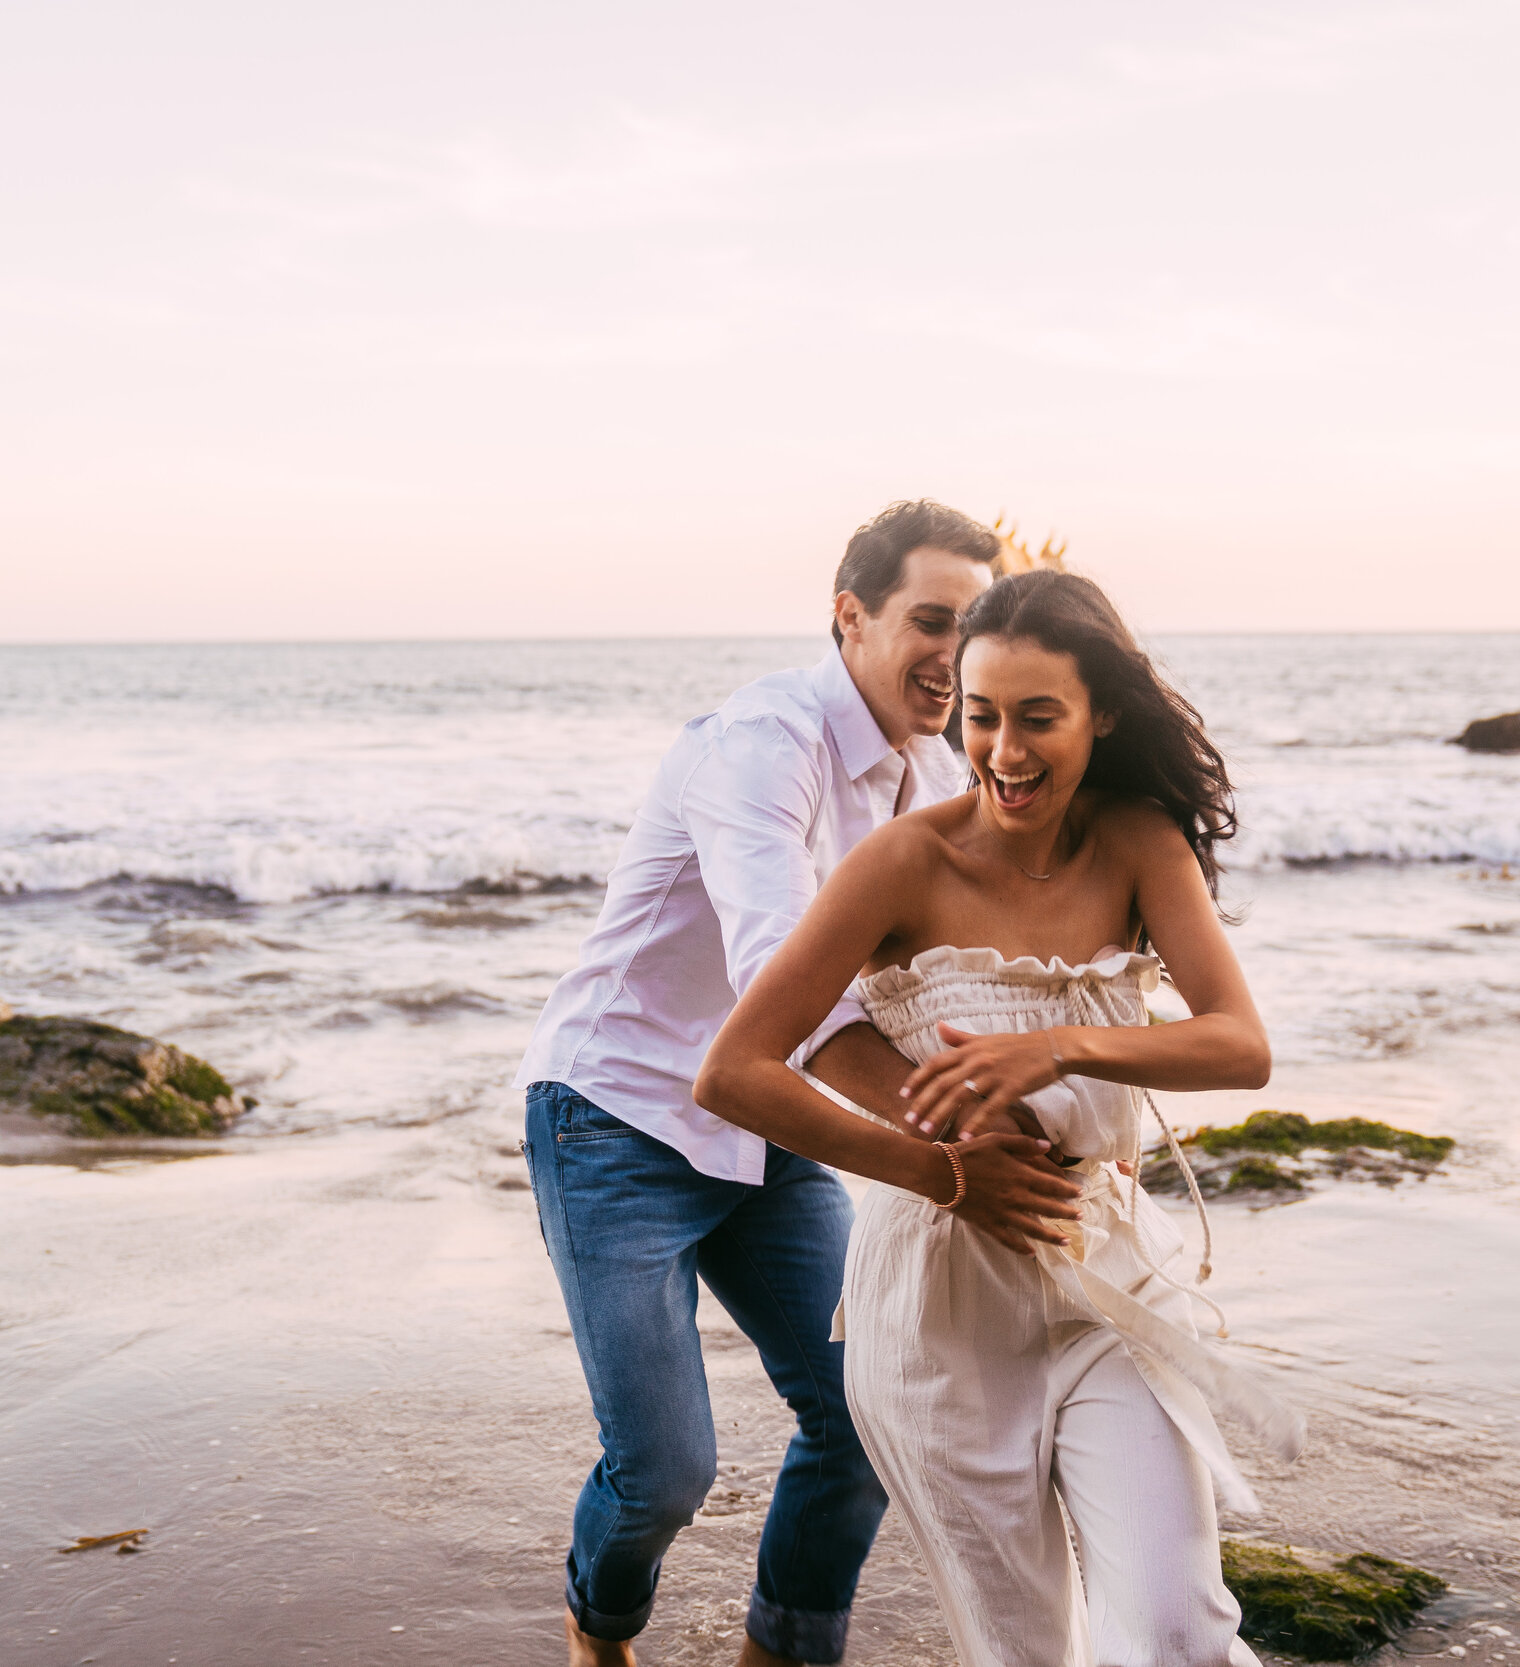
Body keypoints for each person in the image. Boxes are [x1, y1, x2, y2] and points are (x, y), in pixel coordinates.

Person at [697, 569, 1305, 1667]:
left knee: (1183, 1630)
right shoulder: (902, 862)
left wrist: (1060, 1041)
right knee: (1025, 1651)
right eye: (981, 716)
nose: (1006, 751)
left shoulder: (1137, 841)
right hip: (937, 1315)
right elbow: (736, 1070)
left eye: (1038, 717)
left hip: (1101, 1280)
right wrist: (939, 1173)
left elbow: (1238, 1043)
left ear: (1099, 713)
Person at [518, 501, 1087, 1667]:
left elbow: (962, 958)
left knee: (867, 1414)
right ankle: (598, 1620)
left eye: (970, 622)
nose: (950, 649)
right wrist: (944, 1166)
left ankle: (779, 1651)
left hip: (772, 1138)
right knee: (665, 1469)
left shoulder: (940, 766)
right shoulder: (760, 745)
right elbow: (788, 995)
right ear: (849, 615)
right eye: (929, 618)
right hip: (615, 1117)